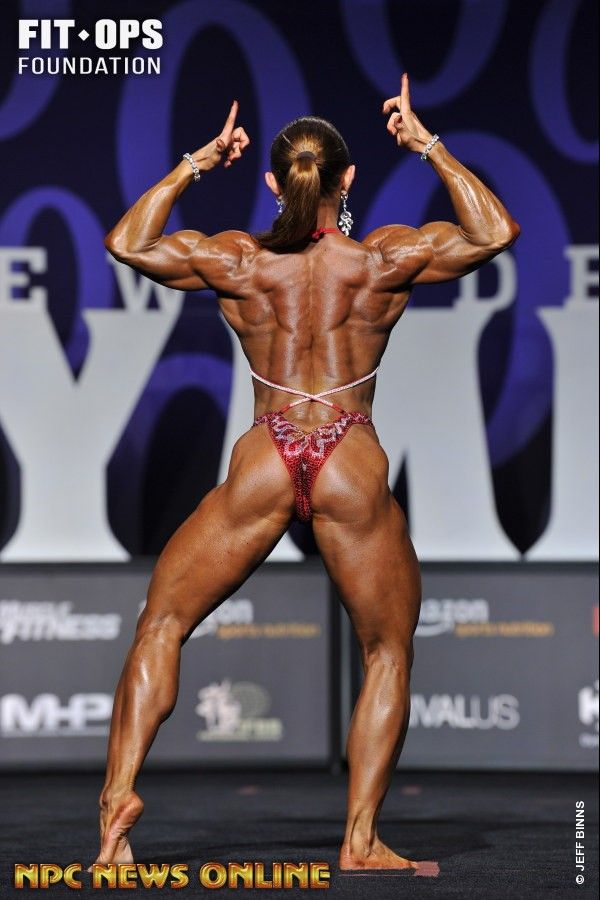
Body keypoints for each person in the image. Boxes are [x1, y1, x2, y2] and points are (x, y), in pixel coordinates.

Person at [93, 74, 519, 872]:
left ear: (271, 181)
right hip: (349, 454)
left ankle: (117, 810)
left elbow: (128, 243)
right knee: (386, 652)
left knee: (162, 624)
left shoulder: (242, 261)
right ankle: (359, 840)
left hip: (266, 452)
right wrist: (427, 145)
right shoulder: (381, 258)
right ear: (347, 179)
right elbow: (494, 231)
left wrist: (194, 164)